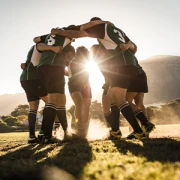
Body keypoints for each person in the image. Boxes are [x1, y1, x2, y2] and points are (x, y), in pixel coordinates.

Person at [50, 18, 149, 140]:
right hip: (132, 64)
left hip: (121, 64)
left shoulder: (101, 28)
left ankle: (138, 127)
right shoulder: (118, 31)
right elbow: (134, 48)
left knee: (118, 99)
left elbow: (80, 31)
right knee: (115, 98)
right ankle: (121, 129)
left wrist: (60, 32)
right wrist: (127, 45)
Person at [20, 34, 61, 143]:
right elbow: (39, 45)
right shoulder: (42, 45)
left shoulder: (39, 46)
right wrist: (53, 48)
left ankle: (32, 137)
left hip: (26, 79)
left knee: (34, 107)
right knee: (51, 103)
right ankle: (45, 132)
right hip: (33, 79)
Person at [37, 29, 75, 144]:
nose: (69, 60)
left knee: (60, 100)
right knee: (53, 101)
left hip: (43, 68)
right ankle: (47, 136)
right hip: (54, 68)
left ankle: (65, 131)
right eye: (69, 56)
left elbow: (36, 40)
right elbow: (38, 44)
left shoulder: (49, 38)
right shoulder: (65, 39)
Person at [66, 46, 92, 139]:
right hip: (74, 84)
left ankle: (84, 131)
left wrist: (87, 86)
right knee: (79, 105)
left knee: (86, 108)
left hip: (85, 85)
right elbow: (69, 72)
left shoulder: (86, 62)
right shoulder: (72, 61)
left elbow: (86, 74)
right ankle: (78, 128)